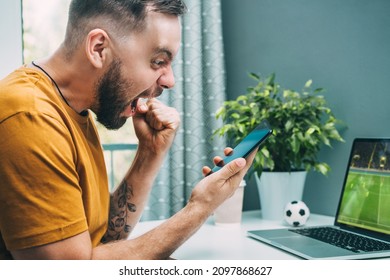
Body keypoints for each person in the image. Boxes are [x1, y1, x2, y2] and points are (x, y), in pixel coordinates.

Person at [0, 0, 256, 260]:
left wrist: (150, 153)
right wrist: (201, 207)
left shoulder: (73, 109)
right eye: (158, 61)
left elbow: (102, 241)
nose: (170, 81)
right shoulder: (30, 115)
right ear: (99, 48)